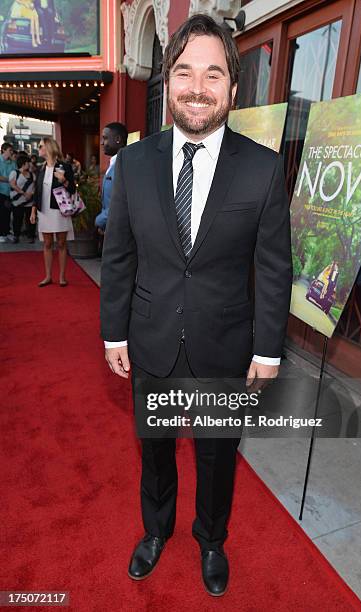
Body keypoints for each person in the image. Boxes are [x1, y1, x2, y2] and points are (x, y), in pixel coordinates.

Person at [100, 14, 292, 597]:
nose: (198, 86)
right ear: (169, 80)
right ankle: (155, 532)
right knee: (155, 453)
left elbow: (273, 267)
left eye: (214, 73)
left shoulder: (262, 168)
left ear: (234, 88)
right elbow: (119, 259)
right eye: (184, 71)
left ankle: (211, 540)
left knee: (216, 456)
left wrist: (267, 351)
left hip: (225, 345)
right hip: (151, 337)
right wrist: (114, 335)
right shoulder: (132, 164)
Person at [30, 137, 75, 287]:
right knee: (47, 243)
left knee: (61, 243)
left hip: (59, 210)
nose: (39, 149)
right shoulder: (40, 168)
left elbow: (72, 190)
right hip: (44, 212)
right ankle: (48, 276)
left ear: (49, 147)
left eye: (41, 146)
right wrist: (33, 211)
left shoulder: (65, 166)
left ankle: (62, 277)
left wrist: (64, 180)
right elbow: (37, 191)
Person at [95, 123, 128, 233]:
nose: (101, 143)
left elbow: (118, 202)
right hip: (111, 227)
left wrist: (99, 221)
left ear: (118, 139)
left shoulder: (124, 165)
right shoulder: (115, 162)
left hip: (120, 230)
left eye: (105, 138)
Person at [9, 154, 35, 243]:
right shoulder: (14, 173)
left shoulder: (32, 174)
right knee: (17, 219)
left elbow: (35, 186)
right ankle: (16, 236)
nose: (30, 164)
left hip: (29, 201)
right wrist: (24, 193)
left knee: (30, 219)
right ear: (23, 163)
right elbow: (13, 185)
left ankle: (31, 236)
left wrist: (31, 194)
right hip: (17, 201)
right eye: (28, 162)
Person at [0, 143, 15, 243]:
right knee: (1, 213)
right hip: (0, 191)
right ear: (4, 150)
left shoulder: (13, 163)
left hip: (11, 192)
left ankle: (6, 232)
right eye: (10, 150)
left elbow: (15, 175)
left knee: (8, 213)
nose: (11, 152)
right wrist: (9, 180)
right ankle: (1, 234)